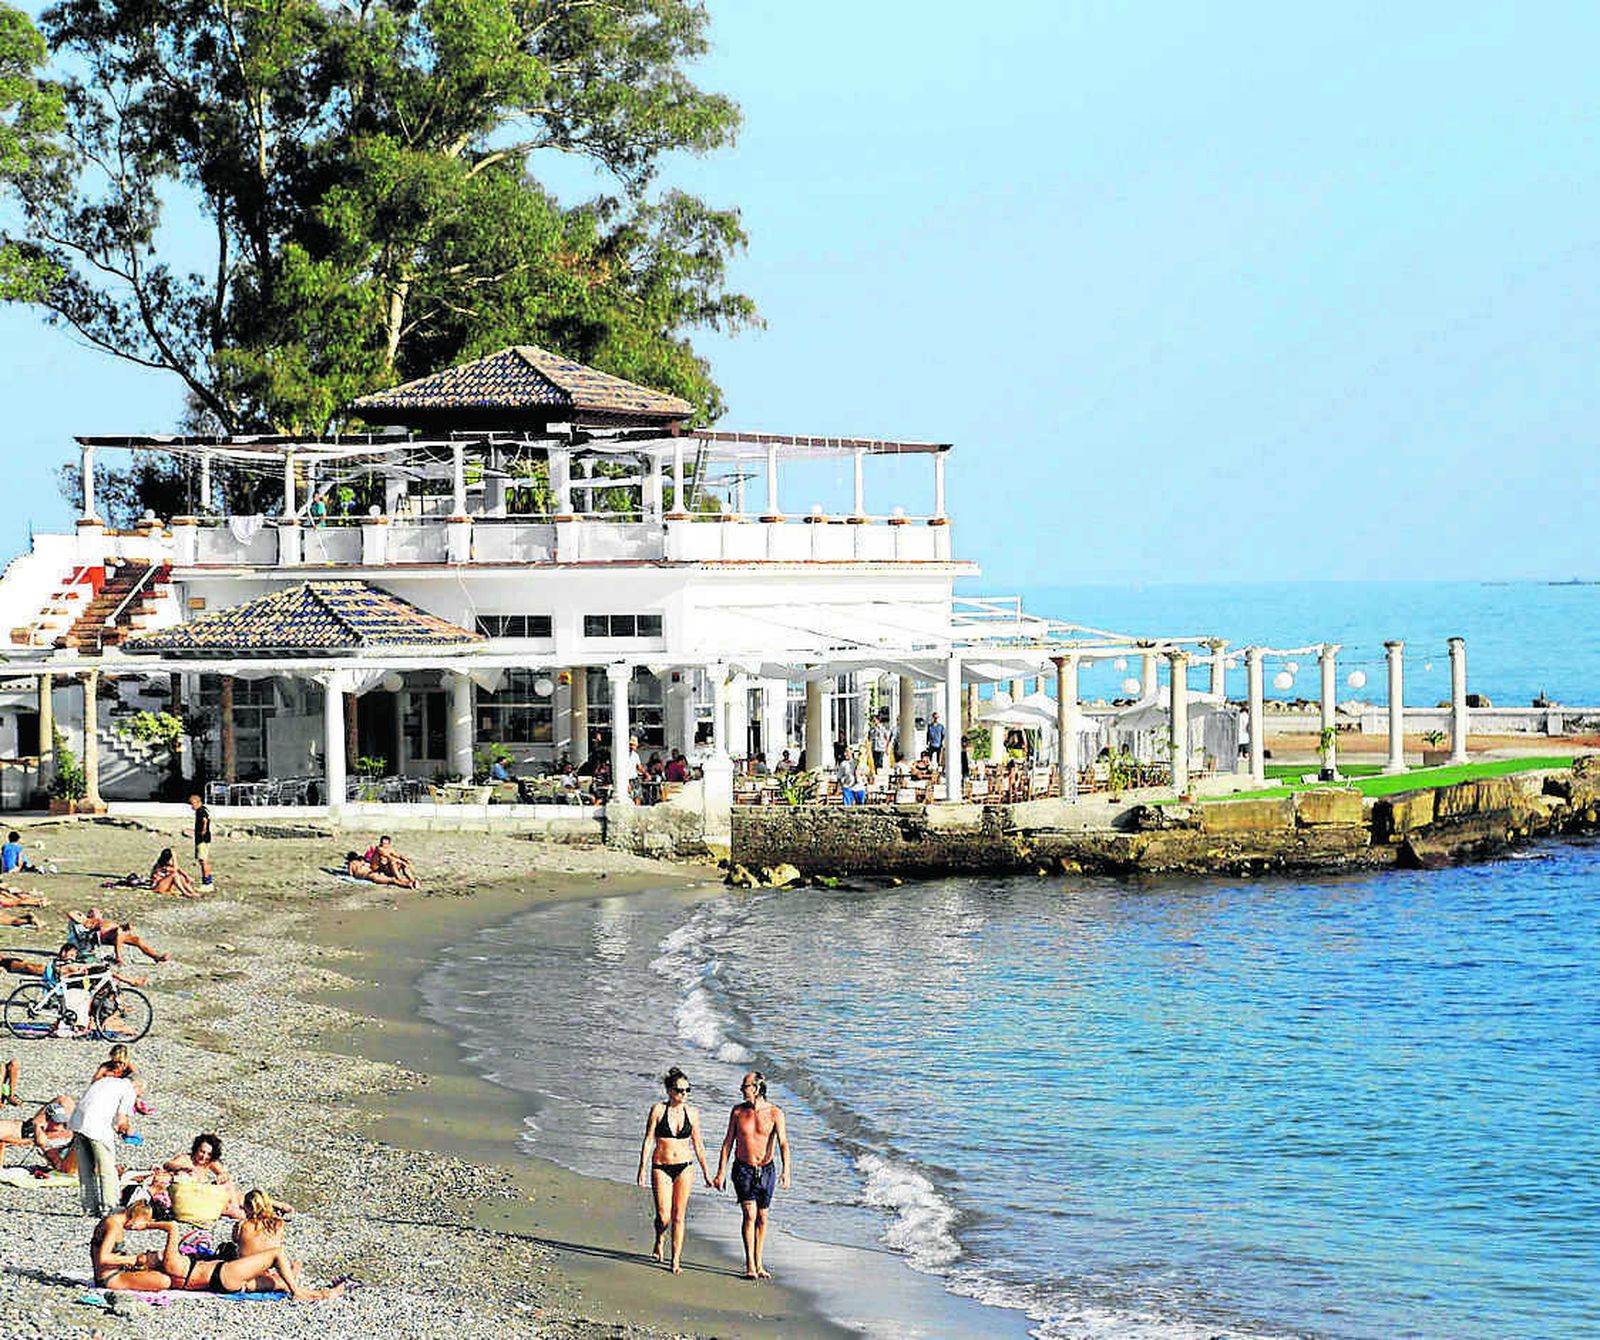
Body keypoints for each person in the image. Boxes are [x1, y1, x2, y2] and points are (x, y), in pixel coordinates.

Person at [714, 1071, 791, 1281]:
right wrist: (720, 1172)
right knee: (749, 1214)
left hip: (766, 1169)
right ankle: (750, 1264)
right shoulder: (738, 1112)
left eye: (745, 1087)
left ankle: (759, 1262)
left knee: (762, 1217)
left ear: (757, 1089)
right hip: (743, 1169)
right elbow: (728, 1142)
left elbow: (783, 1143)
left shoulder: (776, 1113)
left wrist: (786, 1170)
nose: (742, 1090)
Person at [635, 1067, 712, 1274]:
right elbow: (649, 1139)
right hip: (661, 1166)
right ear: (669, 1091)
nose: (684, 1094)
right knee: (663, 1216)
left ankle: (675, 1260)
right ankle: (660, 1238)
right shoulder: (658, 1110)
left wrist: (706, 1172)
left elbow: (698, 1144)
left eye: (687, 1090)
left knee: (679, 1215)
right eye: (680, 1090)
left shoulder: (693, 1113)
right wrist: (642, 1168)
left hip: (685, 1167)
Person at [69, 1058, 137, 1218]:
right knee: (107, 1168)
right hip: (95, 1127)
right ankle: (109, 1208)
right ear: (137, 1086)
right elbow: (121, 1120)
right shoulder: (128, 1088)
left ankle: (89, 1208)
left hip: (77, 1122)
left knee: (86, 1168)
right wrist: (129, 1132)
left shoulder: (106, 1081)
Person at [90, 1200, 182, 1292]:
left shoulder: (114, 1221)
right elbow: (103, 1258)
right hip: (109, 1278)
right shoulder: (114, 1226)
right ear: (138, 1216)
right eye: (145, 1221)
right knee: (164, 1281)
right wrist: (135, 1259)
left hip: (115, 1271)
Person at [68, 909, 170, 965]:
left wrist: (125, 926)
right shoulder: (85, 922)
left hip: (112, 933)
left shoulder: (100, 920)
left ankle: (156, 957)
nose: (95, 913)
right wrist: (83, 918)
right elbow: (71, 914)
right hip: (102, 936)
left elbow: (112, 926)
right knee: (119, 932)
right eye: (92, 912)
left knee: (136, 940)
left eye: (97, 912)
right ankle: (118, 957)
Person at [189, 795, 213, 890]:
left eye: (192, 804)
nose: (191, 806)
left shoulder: (200, 811)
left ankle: (207, 883)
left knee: (203, 860)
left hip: (202, 838)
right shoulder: (205, 809)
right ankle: (208, 881)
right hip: (206, 838)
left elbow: (204, 820)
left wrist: (203, 830)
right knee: (203, 860)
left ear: (198, 802)